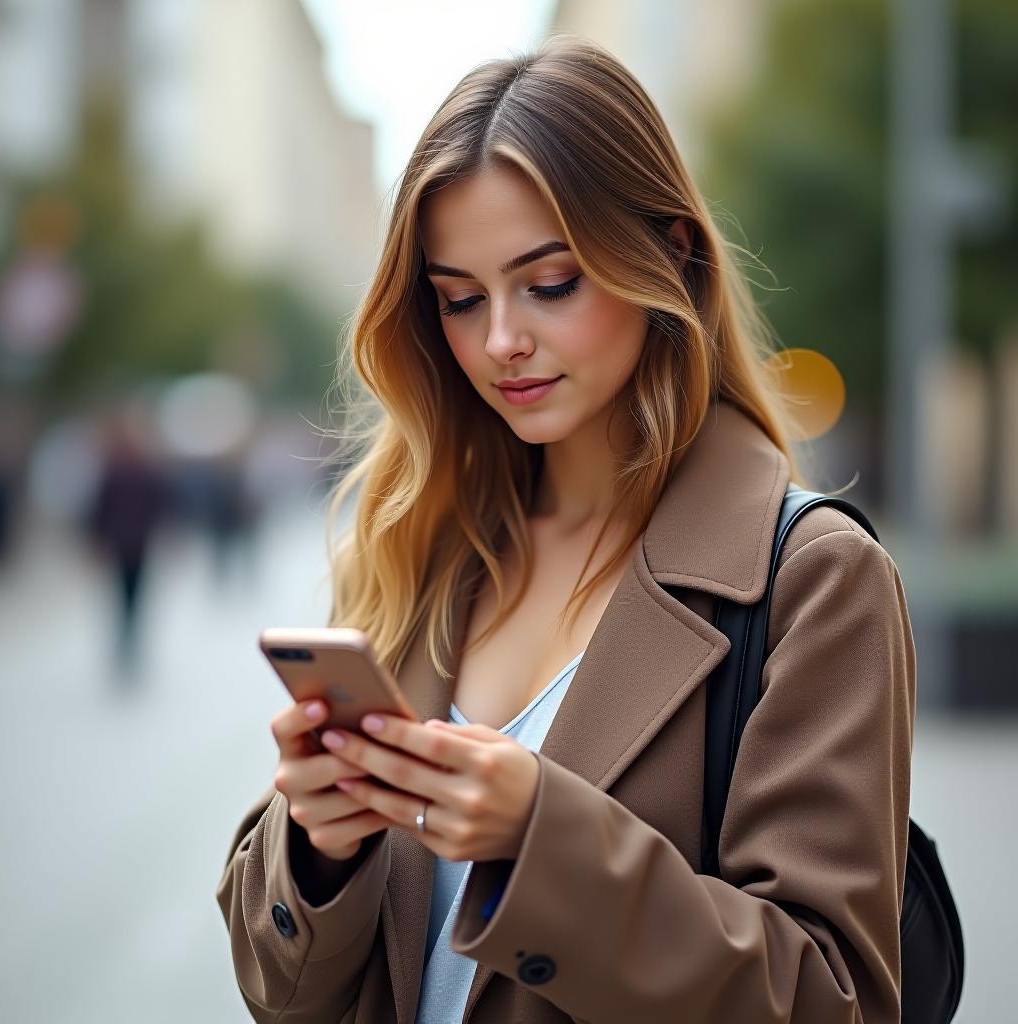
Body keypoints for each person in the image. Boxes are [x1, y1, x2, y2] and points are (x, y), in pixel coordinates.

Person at [217, 36, 915, 1024]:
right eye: (460, 299)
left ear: (667, 252)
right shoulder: (416, 551)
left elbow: (827, 1000)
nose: (500, 339)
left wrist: (542, 838)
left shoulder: (810, 580)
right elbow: (279, 991)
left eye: (548, 283)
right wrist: (316, 848)